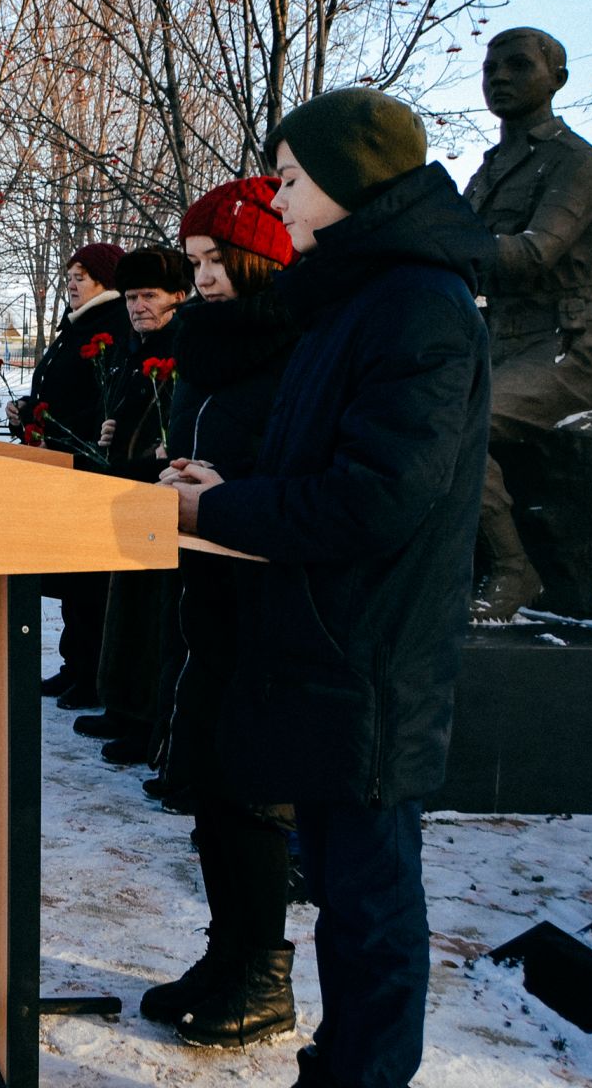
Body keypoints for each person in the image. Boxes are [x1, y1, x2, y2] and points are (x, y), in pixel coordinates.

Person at [166, 89, 490, 1088]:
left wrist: (219, 513)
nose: (281, 193)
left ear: (350, 186)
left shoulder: (418, 307)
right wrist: (234, 488)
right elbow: (314, 464)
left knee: (371, 901)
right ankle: (339, 1063)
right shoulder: (355, 300)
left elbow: (374, 499)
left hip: (372, 653)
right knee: (347, 897)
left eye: (295, 177)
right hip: (327, 643)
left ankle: (364, 1071)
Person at [133, 178, 301, 1047]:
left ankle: (264, 974)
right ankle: (225, 951)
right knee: (210, 786)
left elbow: (303, 472)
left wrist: (228, 489)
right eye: (194, 261)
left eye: (216, 261)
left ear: (262, 258)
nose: (201, 278)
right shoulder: (207, 343)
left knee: (251, 794)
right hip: (206, 583)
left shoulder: (295, 342)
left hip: (268, 591)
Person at [461, 28, 592, 619]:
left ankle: (515, 570)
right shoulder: (490, 168)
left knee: (458, 421)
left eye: (517, 66)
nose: (498, 76)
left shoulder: (578, 163)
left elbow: (535, 252)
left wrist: (437, 240)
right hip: (499, 345)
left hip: (570, 349)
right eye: (491, 66)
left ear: (558, 81)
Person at [80, 246, 189, 766]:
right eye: (130, 297)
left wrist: (149, 453)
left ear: (178, 297)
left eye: (149, 296)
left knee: (149, 616)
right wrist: (112, 431)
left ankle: (146, 718)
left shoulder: (180, 345)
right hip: (129, 488)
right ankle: (123, 705)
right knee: (122, 604)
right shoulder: (135, 347)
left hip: (156, 493)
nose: (138, 306)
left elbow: (172, 425)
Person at [9, 242, 129, 710]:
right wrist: (27, 411)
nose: (73, 283)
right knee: (74, 577)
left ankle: (93, 672)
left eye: (83, 275)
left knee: (89, 580)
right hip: (61, 461)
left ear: (105, 281)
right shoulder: (74, 326)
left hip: (87, 467)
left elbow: (98, 401)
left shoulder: (110, 326)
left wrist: (52, 423)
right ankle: (75, 664)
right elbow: (57, 390)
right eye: (70, 275)